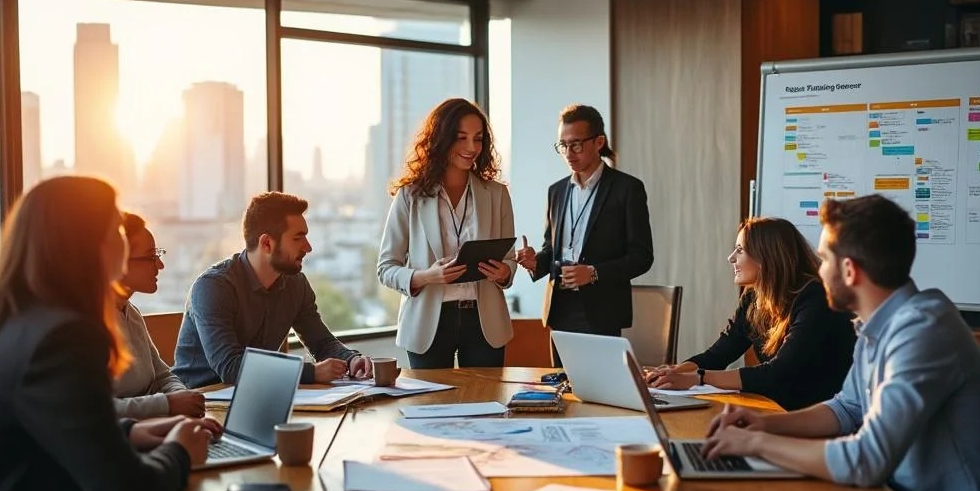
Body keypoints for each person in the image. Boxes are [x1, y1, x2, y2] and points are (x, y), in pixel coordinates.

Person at [702, 195, 980, 491]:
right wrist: (762, 424)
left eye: (824, 260)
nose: (817, 271)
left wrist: (755, 445)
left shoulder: (924, 331)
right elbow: (847, 409)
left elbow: (867, 460)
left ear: (849, 271)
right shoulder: (878, 324)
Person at [0, 176, 219, 491]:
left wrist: (132, 433)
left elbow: (51, 428)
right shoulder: (64, 337)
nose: (125, 240)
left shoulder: (16, 320)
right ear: (86, 244)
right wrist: (181, 451)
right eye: (115, 227)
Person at [646, 217, 856, 410]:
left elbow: (778, 373)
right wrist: (674, 373)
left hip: (817, 415)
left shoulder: (816, 298)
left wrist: (697, 378)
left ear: (767, 256)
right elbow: (718, 355)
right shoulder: (753, 298)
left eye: (740, 249)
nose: (731, 258)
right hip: (777, 408)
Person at [172, 192, 373, 388]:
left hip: (260, 393)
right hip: (201, 402)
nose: (308, 247)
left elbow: (321, 343)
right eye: (298, 238)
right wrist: (311, 372)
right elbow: (230, 367)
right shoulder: (213, 287)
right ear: (267, 243)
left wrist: (351, 360)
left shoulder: (296, 284)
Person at [378, 98, 516, 368]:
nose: (471, 148)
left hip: (484, 322)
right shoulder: (411, 196)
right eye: (461, 137)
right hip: (427, 324)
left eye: (478, 139)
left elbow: (509, 259)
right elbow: (386, 268)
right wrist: (426, 276)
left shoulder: (497, 194)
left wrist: (504, 273)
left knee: (485, 407)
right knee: (431, 408)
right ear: (441, 139)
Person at [515, 104, 653, 367]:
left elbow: (642, 257)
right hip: (560, 309)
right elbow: (552, 249)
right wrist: (537, 262)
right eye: (563, 146)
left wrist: (593, 272)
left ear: (599, 142)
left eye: (576, 145)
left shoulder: (627, 189)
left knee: (602, 395)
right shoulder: (556, 191)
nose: (569, 153)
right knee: (563, 394)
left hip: (602, 312)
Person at [113, 212, 204, 418]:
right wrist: (167, 404)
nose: (160, 265)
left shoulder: (131, 312)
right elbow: (92, 411)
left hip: (151, 425)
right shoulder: (86, 325)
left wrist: (183, 399)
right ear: (119, 260)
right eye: (150, 257)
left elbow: (163, 375)